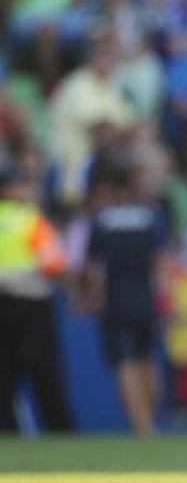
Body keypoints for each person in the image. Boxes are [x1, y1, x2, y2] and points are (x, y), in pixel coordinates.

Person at [84, 156, 170, 435]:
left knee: (125, 363)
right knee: (148, 359)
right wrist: (168, 300)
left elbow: (96, 270)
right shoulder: (151, 218)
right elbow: (160, 265)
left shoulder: (102, 221)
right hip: (145, 300)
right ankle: (151, 420)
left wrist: (94, 300)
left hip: (115, 301)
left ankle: (141, 425)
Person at [0, 161, 72, 433]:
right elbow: (53, 263)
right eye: (24, 184)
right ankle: (59, 429)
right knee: (46, 372)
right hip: (31, 301)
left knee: (4, 375)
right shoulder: (30, 218)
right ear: (10, 189)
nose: (31, 190)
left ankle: (6, 430)